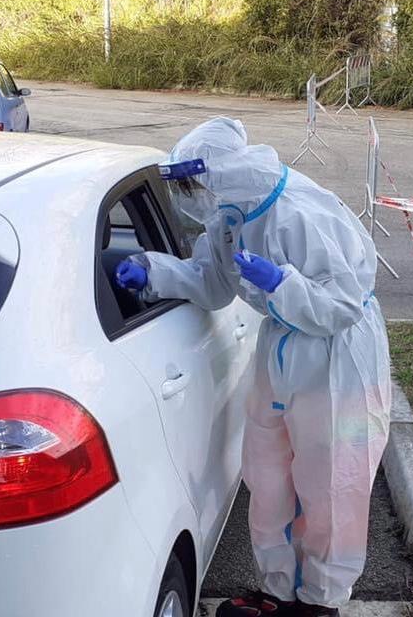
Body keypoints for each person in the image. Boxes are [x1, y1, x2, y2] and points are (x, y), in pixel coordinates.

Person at [115, 117, 392, 617]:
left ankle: (318, 603)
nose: (187, 194)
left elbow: (345, 304)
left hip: (338, 359)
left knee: (332, 483)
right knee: (266, 475)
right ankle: (277, 591)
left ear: (225, 171)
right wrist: (155, 272)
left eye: (191, 183)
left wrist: (282, 282)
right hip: (282, 347)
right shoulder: (229, 216)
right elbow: (215, 283)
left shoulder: (302, 213)